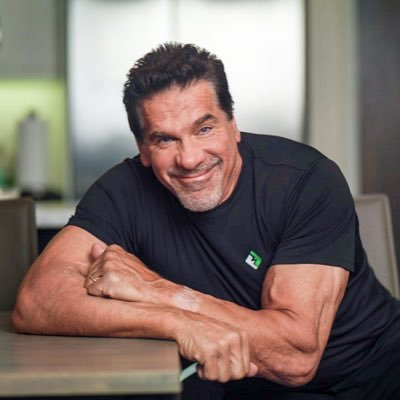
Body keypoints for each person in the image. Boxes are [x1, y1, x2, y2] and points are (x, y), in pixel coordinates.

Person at [12, 43, 400, 399]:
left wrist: (156, 291)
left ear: (233, 124)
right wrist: (177, 324)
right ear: (143, 149)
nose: (190, 158)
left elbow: (295, 356)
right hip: (241, 389)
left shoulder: (305, 180)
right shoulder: (124, 190)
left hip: (376, 376)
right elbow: (37, 300)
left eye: (204, 128)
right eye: (165, 139)